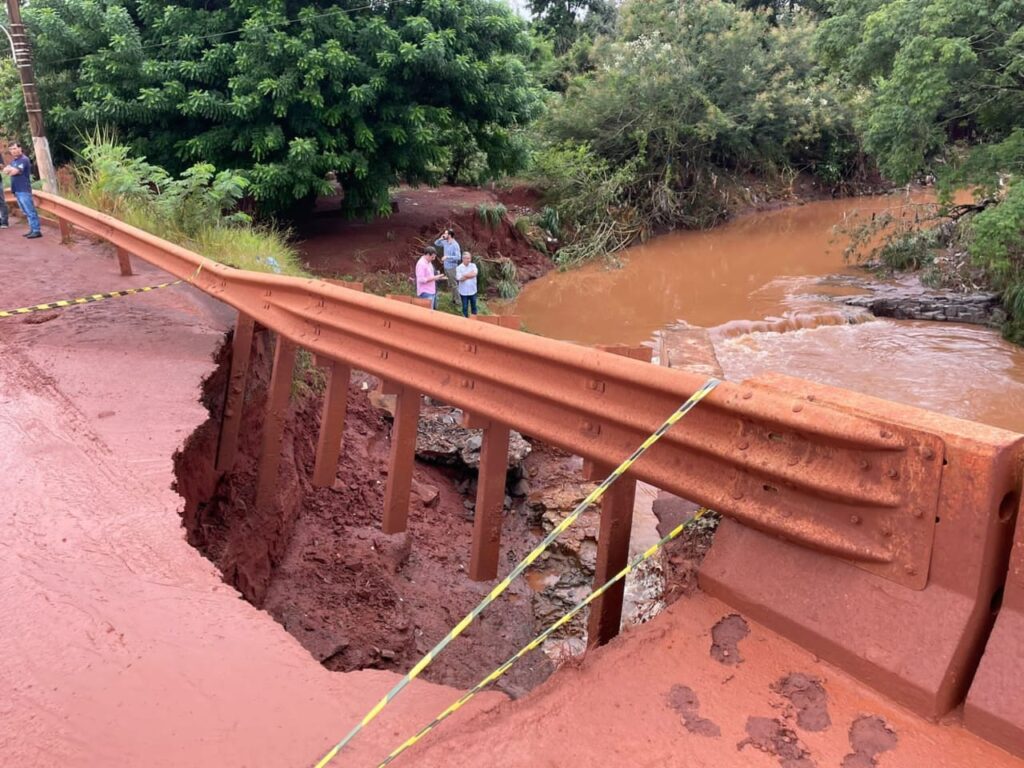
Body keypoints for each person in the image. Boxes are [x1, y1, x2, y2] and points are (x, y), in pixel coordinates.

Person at [3, 142, 41, 238]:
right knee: (25, 211)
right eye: (11, 149)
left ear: (20, 148)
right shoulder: (14, 161)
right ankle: (32, 229)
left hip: (24, 189)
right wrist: (10, 169)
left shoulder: (24, 159)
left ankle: (36, 230)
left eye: (15, 148)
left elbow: (14, 172)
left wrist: (11, 170)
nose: (13, 151)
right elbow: (6, 171)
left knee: (30, 210)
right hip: (16, 189)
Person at [434, 228, 461, 305]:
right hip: (446, 267)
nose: (444, 234)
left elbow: (458, 257)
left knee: (454, 285)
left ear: (449, 235)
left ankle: (458, 302)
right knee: (451, 284)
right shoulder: (445, 242)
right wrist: (441, 238)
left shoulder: (455, 245)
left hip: (452, 267)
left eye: (445, 233)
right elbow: (436, 243)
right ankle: (454, 300)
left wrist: (447, 257)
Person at [455, 251, 479, 318]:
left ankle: (474, 321)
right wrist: (469, 275)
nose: (469, 260)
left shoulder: (473, 265)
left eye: (470, 258)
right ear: (463, 259)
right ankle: (465, 322)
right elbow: (459, 278)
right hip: (463, 292)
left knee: (474, 307)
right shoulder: (459, 268)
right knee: (465, 308)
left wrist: (464, 276)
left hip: (473, 291)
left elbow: (475, 274)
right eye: (467, 258)